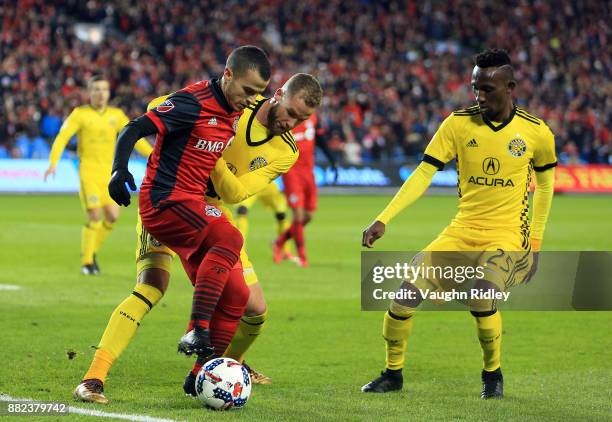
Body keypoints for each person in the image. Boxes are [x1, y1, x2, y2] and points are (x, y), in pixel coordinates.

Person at [74, 72, 322, 403]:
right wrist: (201, 135)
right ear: (278, 94)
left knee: (255, 307)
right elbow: (159, 106)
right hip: (171, 192)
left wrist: (212, 150)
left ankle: (227, 365)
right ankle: (93, 377)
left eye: (302, 120)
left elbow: (235, 193)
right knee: (151, 286)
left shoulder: (285, 151)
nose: (292, 123)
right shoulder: (238, 100)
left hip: (214, 209)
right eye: (291, 112)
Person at [360, 49, 556, 399]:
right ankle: (392, 373)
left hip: (507, 234)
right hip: (462, 230)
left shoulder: (536, 132)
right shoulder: (457, 123)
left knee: (481, 295)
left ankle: (492, 374)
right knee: (403, 297)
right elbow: (423, 173)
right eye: (475, 87)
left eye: (487, 89)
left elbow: (544, 185)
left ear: (510, 87)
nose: (479, 95)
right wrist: (383, 217)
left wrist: (535, 243)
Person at [44, 75, 153, 275]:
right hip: (88, 173)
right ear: (89, 92)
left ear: (108, 93)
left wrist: (154, 155)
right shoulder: (80, 114)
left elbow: (134, 138)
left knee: (112, 216)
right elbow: (62, 137)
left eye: (104, 89)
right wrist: (53, 162)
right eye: (96, 89)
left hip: (109, 173)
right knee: (94, 216)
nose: (100, 93)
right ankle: (87, 263)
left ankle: (91, 251)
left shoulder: (117, 115)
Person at [273, 112, 337, 267]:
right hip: (292, 173)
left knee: (308, 217)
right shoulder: (285, 118)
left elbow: (320, 140)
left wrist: (332, 161)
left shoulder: (313, 117)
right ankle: (302, 257)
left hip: (309, 172)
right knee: (299, 215)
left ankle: (279, 242)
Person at [235, 183, 295, 261]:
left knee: (281, 215)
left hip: (269, 183)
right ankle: (240, 251)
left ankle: (286, 251)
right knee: (241, 210)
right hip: (251, 183)